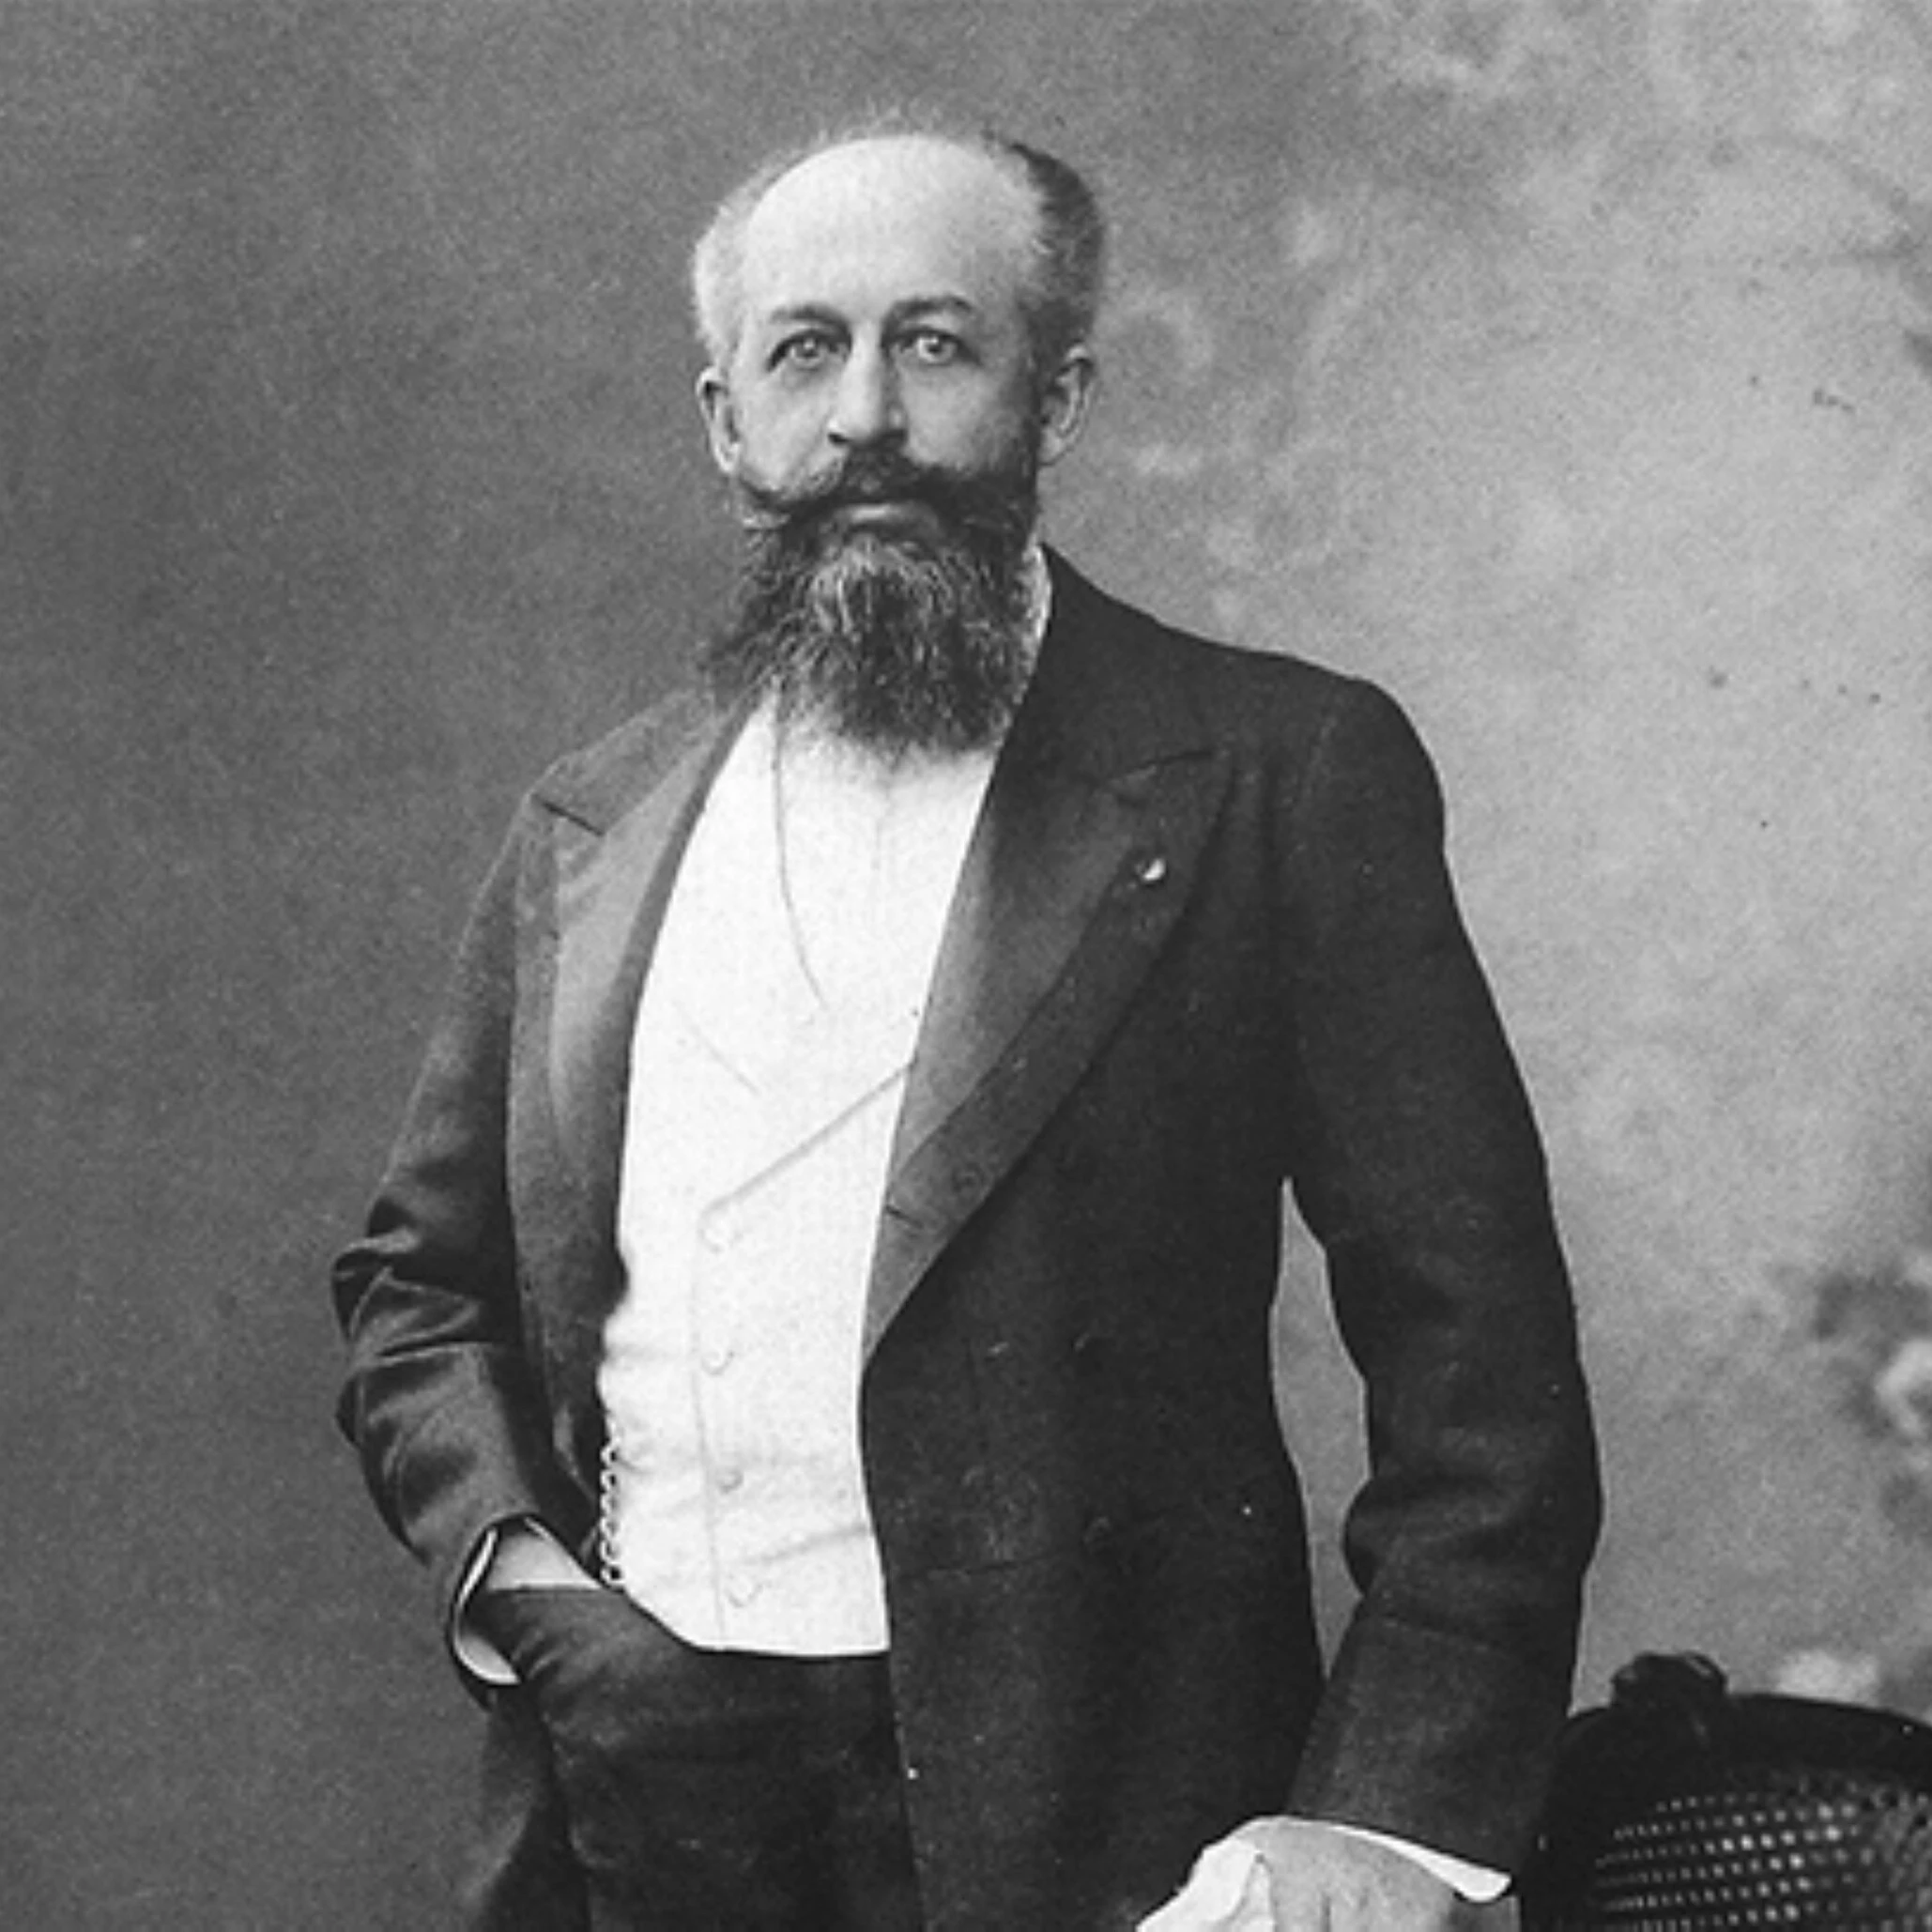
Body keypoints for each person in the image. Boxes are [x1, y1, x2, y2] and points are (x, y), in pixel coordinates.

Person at [333, 115, 1601, 1932]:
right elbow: (418, 1286)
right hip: (635, 1804)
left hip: (1098, 1818)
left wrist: (1382, 1818)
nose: (864, 416)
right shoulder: (587, 828)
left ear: (1054, 397)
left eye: (932, 344)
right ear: (726, 422)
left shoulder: (1269, 771)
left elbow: (1482, 1359)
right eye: (804, 351)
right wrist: (524, 1583)